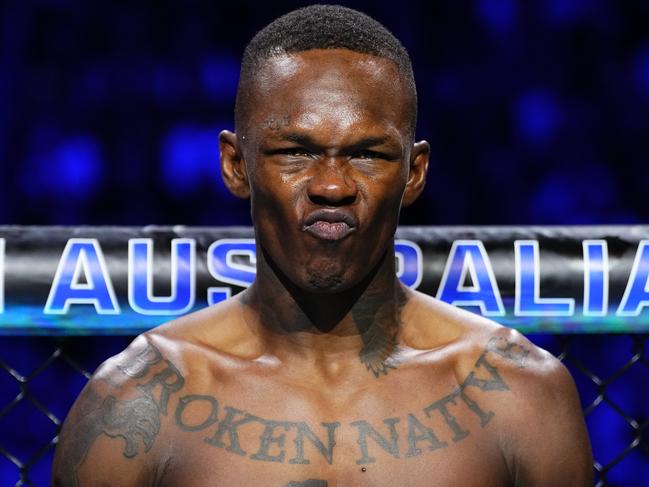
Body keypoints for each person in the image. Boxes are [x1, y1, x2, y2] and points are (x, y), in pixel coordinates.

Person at [52, 5, 593, 486]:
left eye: (368, 154)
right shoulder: (137, 400)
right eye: (294, 150)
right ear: (235, 165)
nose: (331, 186)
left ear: (415, 173)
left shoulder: (520, 395)